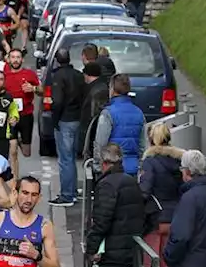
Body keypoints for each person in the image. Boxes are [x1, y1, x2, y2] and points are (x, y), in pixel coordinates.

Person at [139, 123, 184, 267]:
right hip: (174, 220)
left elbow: (145, 190)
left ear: (151, 140)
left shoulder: (150, 162)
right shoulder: (179, 162)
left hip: (155, 221)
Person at [47, 49, 85, 206]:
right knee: (71, 158)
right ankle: (73, 190)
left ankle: (67, 195)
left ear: (56, 60)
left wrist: (54, 119)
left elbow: (58, 101)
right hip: (77, 118)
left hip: (64, 120)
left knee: (65, 159)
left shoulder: (58, 76)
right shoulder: (78, 75)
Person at [91, 74, 145, 176]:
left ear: (112, 89)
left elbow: (100, 144)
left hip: (112, 169)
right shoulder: (139, 113)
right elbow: (142, 146)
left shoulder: (107, 113)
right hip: (133, 169)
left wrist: (98, 166)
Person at [77, 62, 109, 159]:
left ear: (87, 74)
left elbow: (95, 116)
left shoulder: (97, 91)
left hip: (92, 135)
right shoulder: (99, 87)